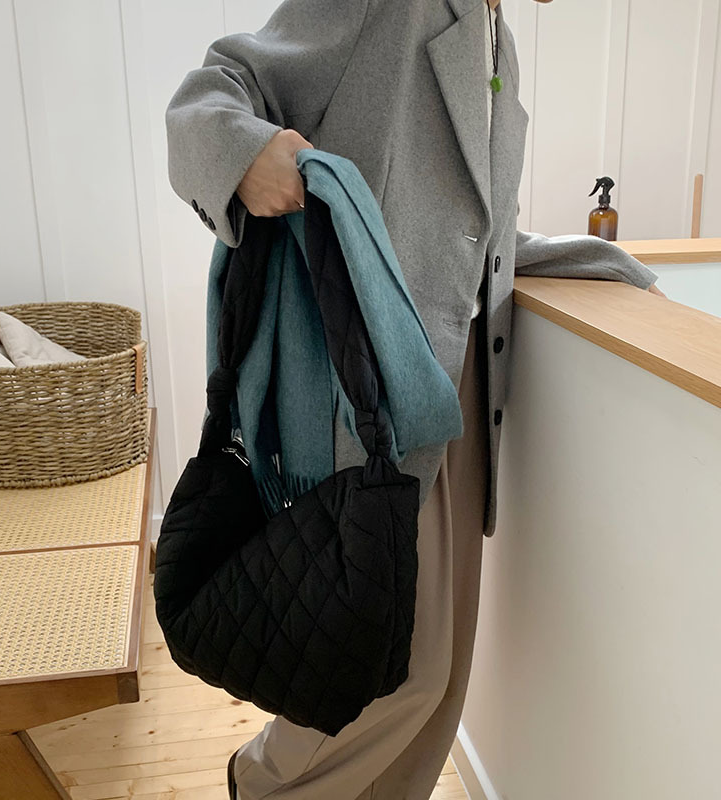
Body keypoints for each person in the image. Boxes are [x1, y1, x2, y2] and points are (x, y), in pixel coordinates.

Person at [164, 1, 665, 797]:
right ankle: (261, 784)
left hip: (457, 384)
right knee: (391, 671)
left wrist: (595, 260)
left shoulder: (497, 37)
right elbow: (213, 91)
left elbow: (473, 234)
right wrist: (246, 154)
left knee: (443, 677)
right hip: (373, 387)